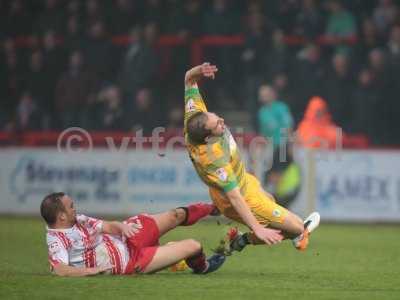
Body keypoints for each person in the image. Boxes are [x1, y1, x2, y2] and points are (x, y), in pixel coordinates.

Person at [183, 63, 320, 253]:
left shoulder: (194, 117)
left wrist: (198, 71)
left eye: (214, 116)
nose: (221, 120)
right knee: (297, 228)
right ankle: (243, 239)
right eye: (217, 125)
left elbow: (189, 79)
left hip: (243, 180)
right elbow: (235, 197)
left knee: (271, 199)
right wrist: (256, 229)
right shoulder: (213, 160)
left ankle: (245, 237)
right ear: (208, 138)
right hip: (239, 196)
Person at [41, 192, 225, 276]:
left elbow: (107, 226)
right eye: (71, 206)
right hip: (131, 262)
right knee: (194, 246)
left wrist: (121, 227)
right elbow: (59, 269)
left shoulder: (77, 219)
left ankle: (213, 207)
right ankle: (203, 266)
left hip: (128, 237)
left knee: (174, 215)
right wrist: (88, 271)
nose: (75, 208)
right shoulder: (56, 239)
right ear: (61, 216)